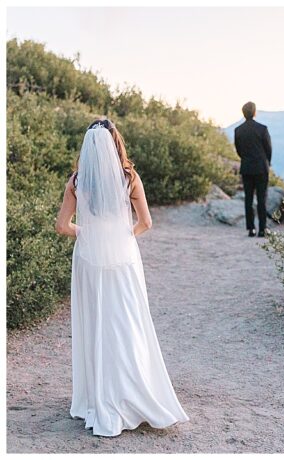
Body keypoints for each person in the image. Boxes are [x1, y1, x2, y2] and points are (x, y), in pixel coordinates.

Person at [55, 119, 189, 437]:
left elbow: (62, 226)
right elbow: (146, 222)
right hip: (123, 258)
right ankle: (134, 391)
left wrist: (89, 233)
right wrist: (121, 236)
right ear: (116, 143)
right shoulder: (129, 177)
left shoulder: (77, 182)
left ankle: (95, 397)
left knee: (95, 325)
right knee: (128, 324)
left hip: (89, 259)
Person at [234, 101, 273, 237]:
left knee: (248, 199)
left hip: (246, 168)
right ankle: (263, 229)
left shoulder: (238, 130)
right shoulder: (262, 129)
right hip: (261, 168)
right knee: (262, 199)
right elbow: (268, 148)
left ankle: (251, 228)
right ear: (255, 112)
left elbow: (238, 150)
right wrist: (268, 162)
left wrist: (246, 158)